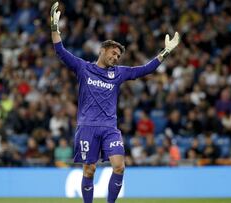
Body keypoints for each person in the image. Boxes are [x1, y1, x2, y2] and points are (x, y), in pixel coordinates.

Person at [50, 2, 180, 203]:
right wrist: (54, 28)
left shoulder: (118, 73)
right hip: (87, 127)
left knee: (119, 166)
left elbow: (145, 69)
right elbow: (61, 51)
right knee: (89, 169)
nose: (116, 57)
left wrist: (165, 52)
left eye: (119, 56)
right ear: (103, 50)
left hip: (110, 128)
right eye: (113, 53)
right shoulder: (84, 68)